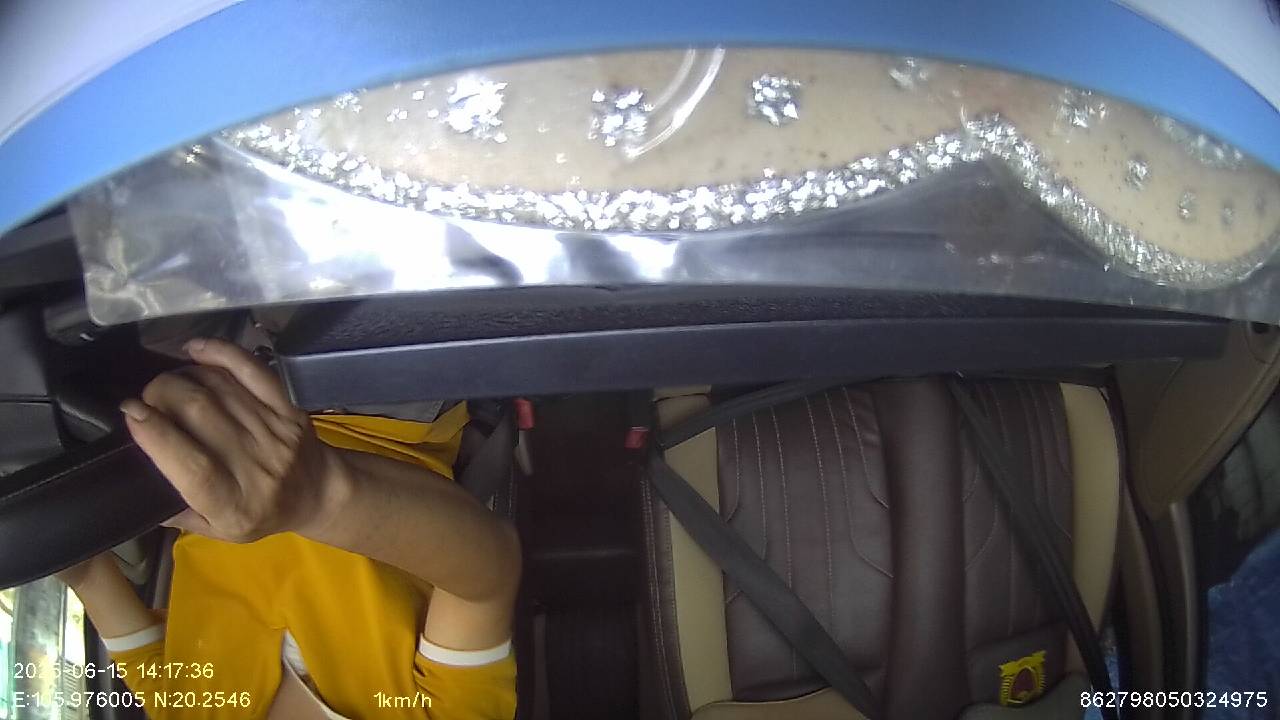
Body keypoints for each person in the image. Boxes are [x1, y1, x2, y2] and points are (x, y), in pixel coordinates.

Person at [57, 338, 520, 719]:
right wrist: (321, 496)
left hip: (207, 405)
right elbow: (487, 575)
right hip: (382, 413)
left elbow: (85, 573)